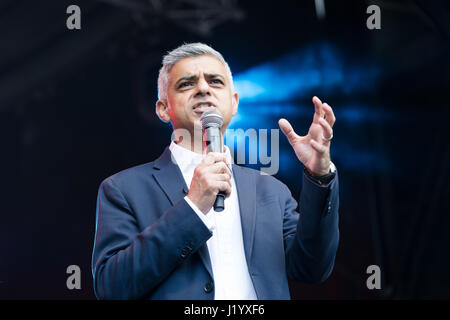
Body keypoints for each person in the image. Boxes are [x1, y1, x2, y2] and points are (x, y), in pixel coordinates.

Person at [91, 43, 339, 300]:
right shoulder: (123, 189)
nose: (203, 88)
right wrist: (193, 208)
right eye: (186, 84)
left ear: (233, 103)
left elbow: (313, 268)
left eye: (215, 81)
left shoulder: (270, 190)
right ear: (164, 109)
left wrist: (319, 175)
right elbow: (112, 287)